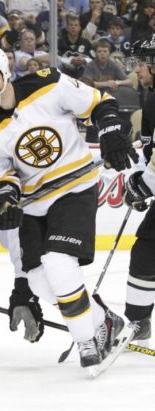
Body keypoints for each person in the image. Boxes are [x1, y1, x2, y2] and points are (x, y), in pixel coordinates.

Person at [0, 47, 134, 369]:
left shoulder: (48, 84)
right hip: (35, 203)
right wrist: (4, 199)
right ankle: (103, 322)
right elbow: (0, 177)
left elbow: (99, 103)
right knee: (39, 278)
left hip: (74, 187)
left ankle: (87, 340)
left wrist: (109, 130)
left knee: (58, 261)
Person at [121, 34, 155, 345]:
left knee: (146, 250)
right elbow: (149, 150)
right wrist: (139, 177)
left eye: (142, 63)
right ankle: (138, 321)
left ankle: (138, 321)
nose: (137, 70)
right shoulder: (150, 99)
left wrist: (142, 185)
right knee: (146, 250)